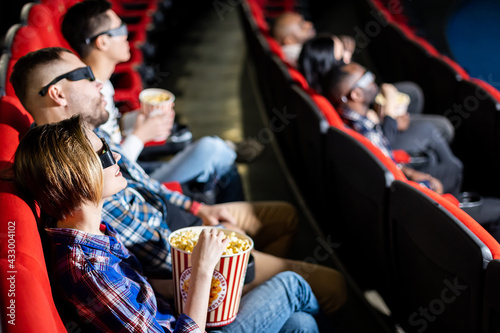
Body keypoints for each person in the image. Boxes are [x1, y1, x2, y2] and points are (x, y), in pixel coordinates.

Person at [10, 47, 346, 316]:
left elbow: (148, 188)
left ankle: (259, 299)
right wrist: (222, 260)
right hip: (186, 261)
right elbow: (156, 262)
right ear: (56, 93)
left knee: (283, 217)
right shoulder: (74, 175)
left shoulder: (87, 144)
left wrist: (202, 211)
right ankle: (252, 294)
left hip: (183, 230)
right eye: (85, 76)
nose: (99, 82)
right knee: (331, 286)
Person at [11, 115, 321, 332]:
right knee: (291, 284)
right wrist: (202, 269)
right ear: (77, 177)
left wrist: (186, 282)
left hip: (174, 318)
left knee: (300, 325)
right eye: (103, 153)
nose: (116, 156)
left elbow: (140, 293)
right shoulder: (90, 269)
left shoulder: (89, 230)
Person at [61, 0, 249, 204]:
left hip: (137, 169)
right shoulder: (87, 97)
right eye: (120, 29)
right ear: (102, 42)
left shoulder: (102, 83)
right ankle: (240, 222)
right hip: (129, 184)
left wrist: (140, 119)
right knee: (215, 151)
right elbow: (110, 169)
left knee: (221, 159)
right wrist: (141, 135)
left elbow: (110, 130)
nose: (127, 35)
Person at [323, 62, 500, 239]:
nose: (373, 79)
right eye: (367, 78)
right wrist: (429, 184)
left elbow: (386, 162)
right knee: (454, 168)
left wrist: (410, 171)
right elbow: (394, 189)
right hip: (418, 205)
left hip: (401, 186)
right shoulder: (364, 131)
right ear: (356, 94)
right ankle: (454, 217)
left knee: (442, 161)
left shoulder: (350, 120)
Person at [297, 33, 455, 144]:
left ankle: (413, 136)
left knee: (412, 92)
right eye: (342, 56)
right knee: (442, 127)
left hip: (380, 122)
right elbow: (371, 133)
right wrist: (390, 117)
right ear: (329, 65)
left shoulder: (325, 86)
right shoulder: (338, 97)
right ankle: (421, 149)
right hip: (383, 136)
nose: (348, 57)